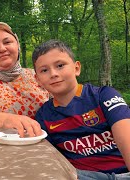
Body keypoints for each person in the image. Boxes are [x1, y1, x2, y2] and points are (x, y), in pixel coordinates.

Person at [32, 39, 130, 179]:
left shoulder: (103, 96)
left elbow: (127, 136)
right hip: (81, 176)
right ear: (37, 79)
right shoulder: (43, 116)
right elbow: (51, 160)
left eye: (60, 65)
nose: (53, 73)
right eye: (44, 70)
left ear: (76, 68)